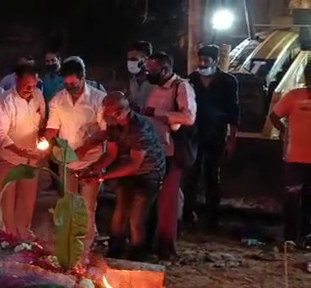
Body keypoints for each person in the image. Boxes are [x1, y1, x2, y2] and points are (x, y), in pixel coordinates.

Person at [81, 92, 165, 260]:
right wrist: (94, 169)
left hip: (149, 174)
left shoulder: (139, 128)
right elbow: (111, 155)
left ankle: (137, 255)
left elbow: (135, 165)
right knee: (119, 213)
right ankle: (115, 252)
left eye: (107, 113)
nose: (104, 116)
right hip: (127, 172)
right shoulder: (113, 126)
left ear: (120, 112)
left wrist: (103, 177)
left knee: (136, 218)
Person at [43, 58, 107, 248]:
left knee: (87, 206)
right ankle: (70, 243)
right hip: (66, 162)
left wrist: (85, 148)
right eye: (66, 83)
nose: (69, 87)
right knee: (69, 204)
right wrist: (45, 143)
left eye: (73, 83)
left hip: (91, 161)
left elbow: (105, 131)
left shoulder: (98, 98)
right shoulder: (58, 100)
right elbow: (52, 129)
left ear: (83, 77)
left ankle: (85, 246)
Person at [143, 52, 197, 259]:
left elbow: (189, 117)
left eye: (152, 70)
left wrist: (157, 113)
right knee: (152, 199)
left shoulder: (181, 87)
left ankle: (166, 247)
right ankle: (150, 242)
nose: (148, 73)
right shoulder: (156, 88)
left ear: (165, 69)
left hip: (171, 151)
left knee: (168, 201)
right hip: (155, 149)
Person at [184, 45, 239, 231]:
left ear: (215, 61)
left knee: (212, 177)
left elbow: (233, 112)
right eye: (200, 60)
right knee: (191, 176)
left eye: (206, 60)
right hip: (194, 135)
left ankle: (211, 219)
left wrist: (231, 139)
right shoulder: (191, 80)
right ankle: (187, 215)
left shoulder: (228, 82)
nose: (202, 64)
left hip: (216, 135)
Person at [0, 64, 46, 239]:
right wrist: (21, 152)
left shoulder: (38, 96)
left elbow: (42, 123)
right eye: (26, 86)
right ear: (16, 80)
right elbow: (1, 135)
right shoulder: (5, 100)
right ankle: (7, 241)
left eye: (33, 85)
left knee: (27, 204)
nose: (30, 90)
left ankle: (24, 240)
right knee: (7, 206)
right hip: (9, 160)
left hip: (32, 162)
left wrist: (42, 140)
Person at [269, 63, 311, 245]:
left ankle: (307, 236)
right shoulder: (294, 96)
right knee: (292, 200)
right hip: (294, 158)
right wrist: (283, 130)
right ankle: (290, 237)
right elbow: (274, 116)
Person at [127, 41, 154, 111]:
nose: (130, 63)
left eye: (133, 59)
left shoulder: (156, 83)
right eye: (128, 59)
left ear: (145, 60)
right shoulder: (132, 82)